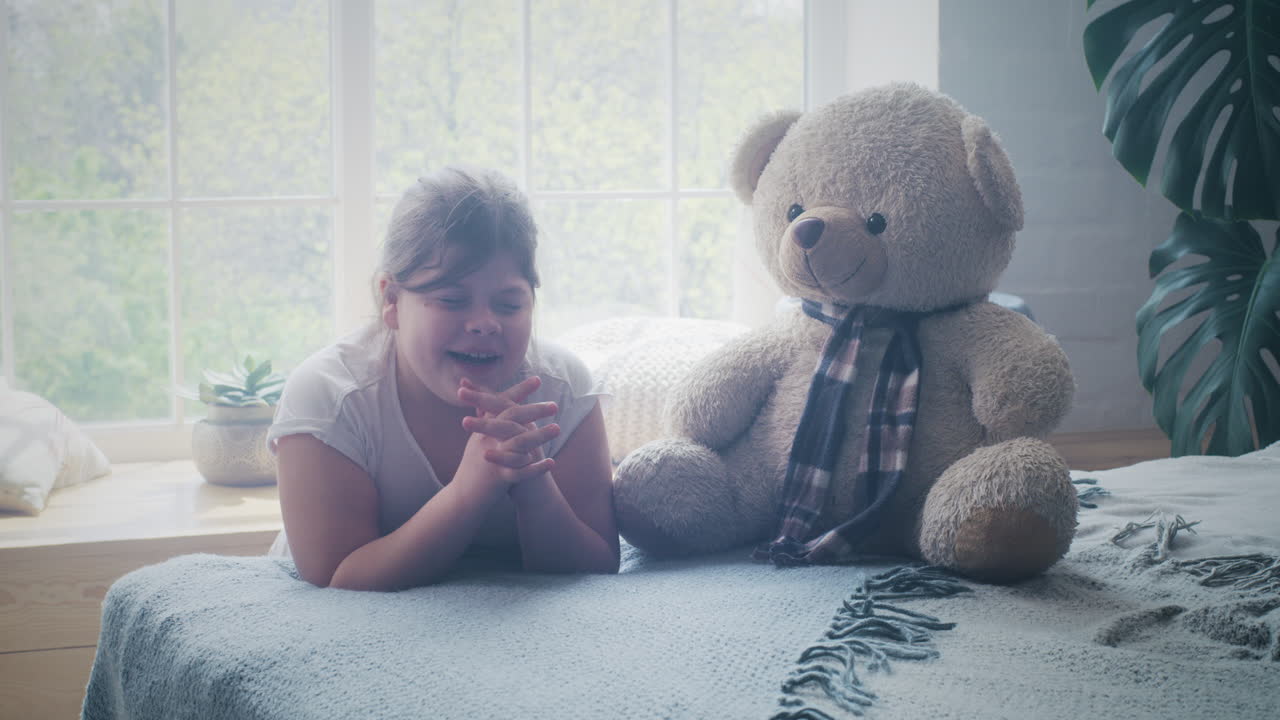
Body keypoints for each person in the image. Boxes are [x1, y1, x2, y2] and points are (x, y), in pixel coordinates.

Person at [267, 166, 619, 591]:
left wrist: (533, 485)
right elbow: (337, 576)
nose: (484, 323)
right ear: (392, 300)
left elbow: (599, 562)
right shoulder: (330, 398)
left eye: (509, 305)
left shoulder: (561, 390)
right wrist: (469, 491)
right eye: (452, 300)